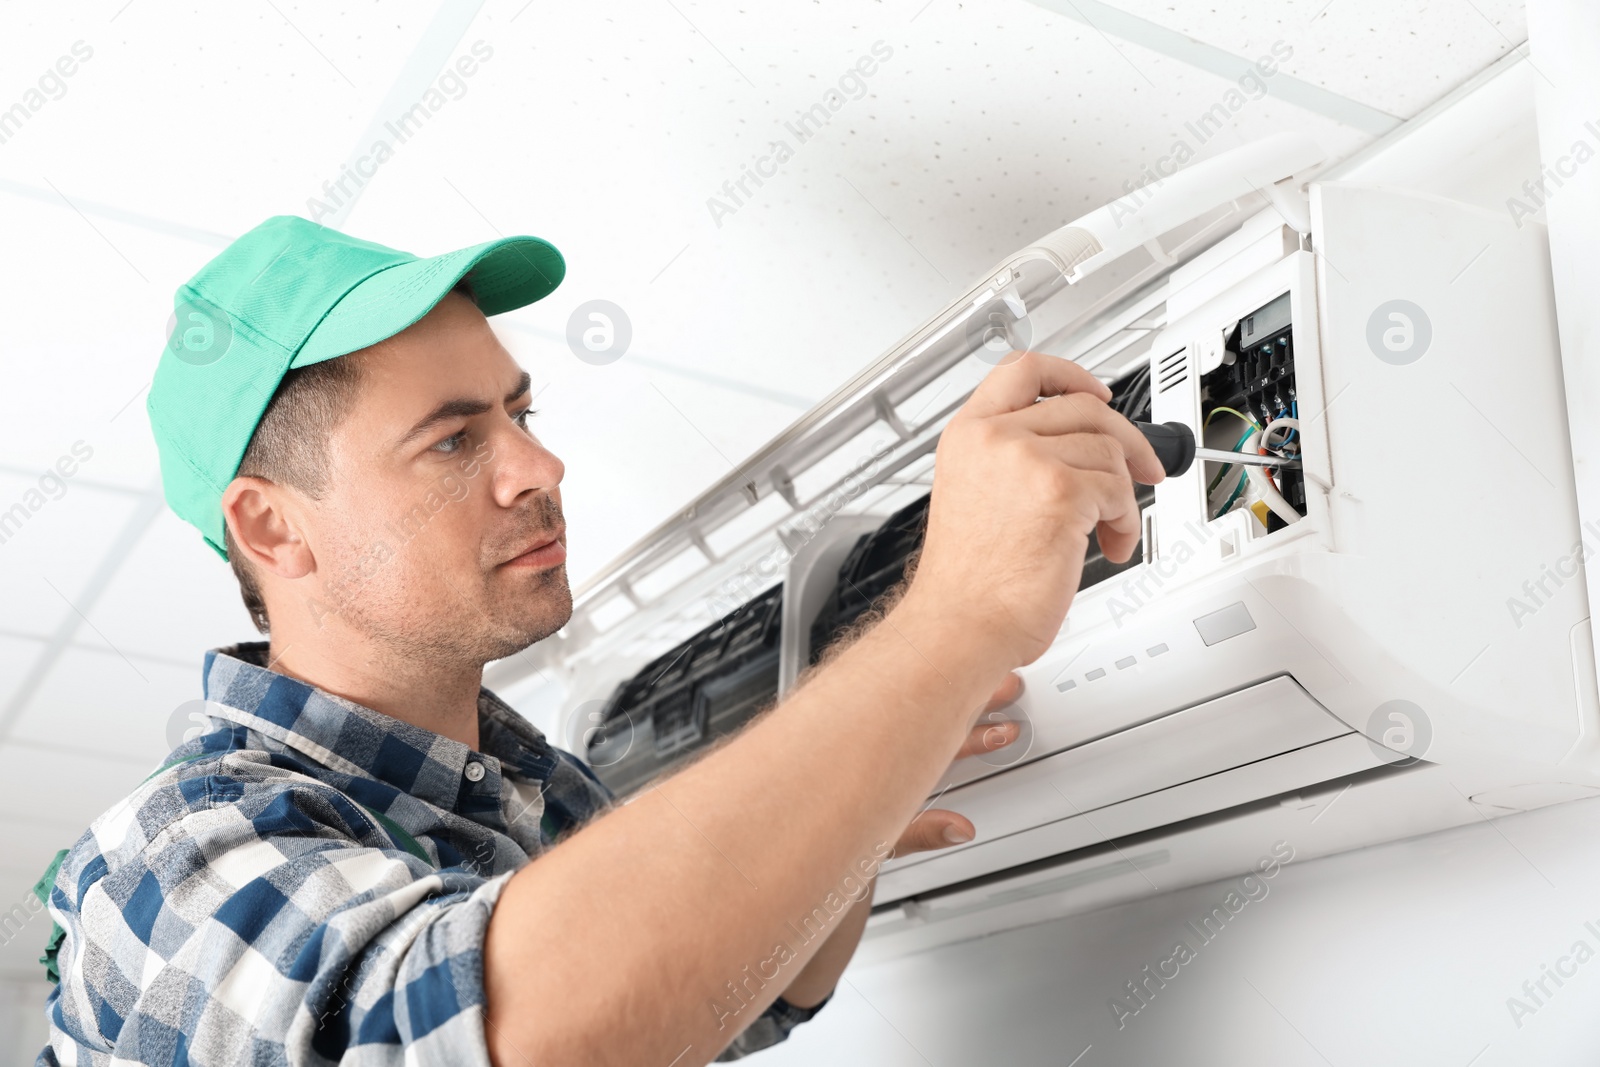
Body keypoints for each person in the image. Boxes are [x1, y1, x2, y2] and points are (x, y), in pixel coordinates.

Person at [35, 215, 1162, 1066]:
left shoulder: (539, 792)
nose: (538, 467)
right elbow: (490, 1033)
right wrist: (950, 618)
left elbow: (743, 1000)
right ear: (272, 524)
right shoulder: (167, 853)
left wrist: (856, 798)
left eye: (520, 415)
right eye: (451, 440)